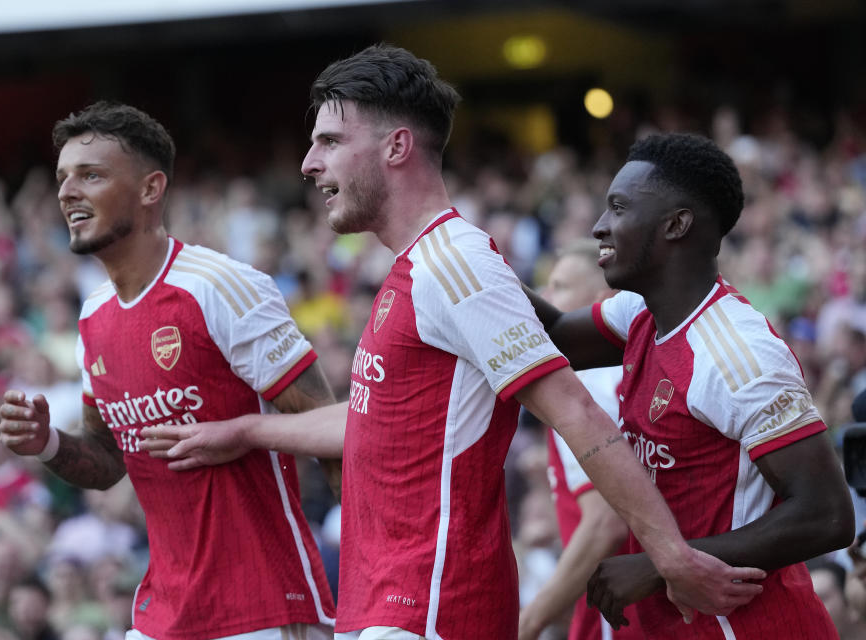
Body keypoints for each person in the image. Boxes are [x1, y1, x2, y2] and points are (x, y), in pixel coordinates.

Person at [140, 46, 763, 640]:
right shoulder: (417, 267)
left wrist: (670, 555)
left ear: (397, 147)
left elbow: (572, 407)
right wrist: (246, 432)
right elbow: (378, 424)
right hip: (387, 602)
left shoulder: (452, 262)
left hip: (430, 606)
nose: (308, 164)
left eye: (329, 141)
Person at [0, 101, 337, 640]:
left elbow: (333, 429)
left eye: (91, 175)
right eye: (62, 177)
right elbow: (109, 461)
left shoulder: (220, 286)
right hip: (164, 613)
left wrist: (372, 579)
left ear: (151, 189)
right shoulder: (93, 315)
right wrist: (46, 444)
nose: (66, 192)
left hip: (264, 606)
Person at [518, 132, 855, 638]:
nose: (599, 227)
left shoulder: (736, 353)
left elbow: (827, 514)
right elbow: (558, 336)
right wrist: (472, 261)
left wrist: (662, 563)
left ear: (676, 224)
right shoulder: (641, 313)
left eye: (618, 208)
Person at [518, 239, 640, 640]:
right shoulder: (618, 376)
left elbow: (606, 522)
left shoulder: (586, 381)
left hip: (620, 620)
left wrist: (528, 622)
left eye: (561, 287)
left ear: (605, 300)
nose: (548, 299)